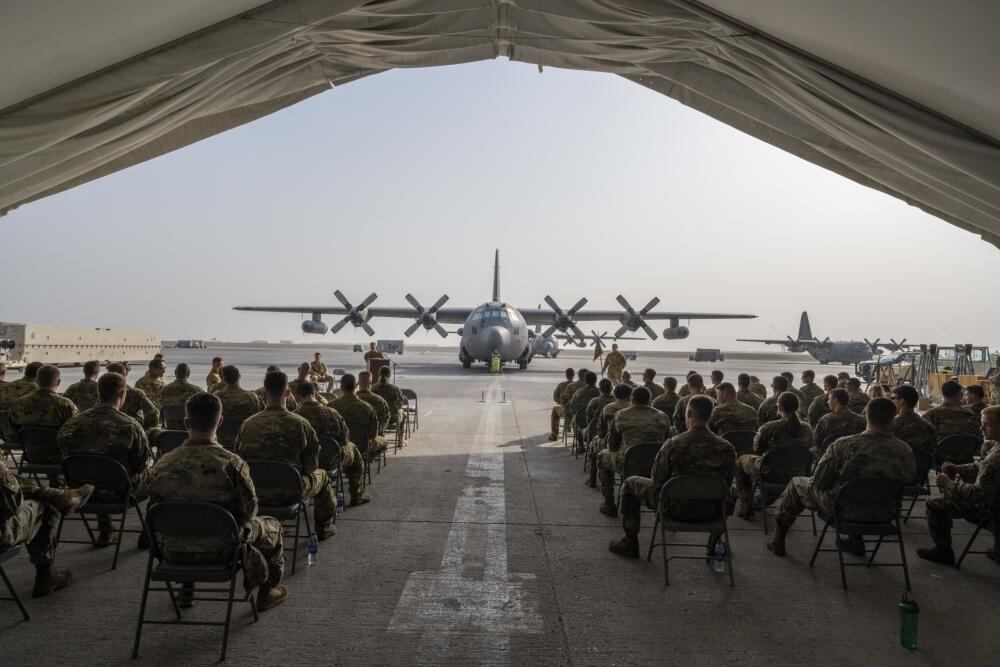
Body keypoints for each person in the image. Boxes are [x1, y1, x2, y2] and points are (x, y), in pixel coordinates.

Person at [148, 392, 287, 610]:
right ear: (220, 422)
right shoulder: (232, 464)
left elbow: (153, 510)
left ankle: (186, 589)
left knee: (186, 518)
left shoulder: (162, 464)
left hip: (171, 549)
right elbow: (249, 513)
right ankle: (267, 591)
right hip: (222, 549)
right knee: (273, 526)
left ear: (186, 422)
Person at [766, 398, 915, 557]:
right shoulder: (904, 449)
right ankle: (855, 542)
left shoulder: (844, 445)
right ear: (892, 419)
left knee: (796, 483)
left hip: (845, 509)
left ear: (866, 416)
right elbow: (909, 480)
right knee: (859, 487)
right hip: (886, 511)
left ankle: (778, 539)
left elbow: (819, 481)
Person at [608, 396, 735, 558]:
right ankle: (714, 544)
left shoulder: (673, 444)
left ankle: (630, 542)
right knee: (731, 491)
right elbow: (728, 481)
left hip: (674, 508)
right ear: (710, 417)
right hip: (712, 512)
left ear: (689, 413)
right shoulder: (727, 448)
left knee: (629, 484)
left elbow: (658, 480)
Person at [234, 371, 338, 540]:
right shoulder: (301, 424)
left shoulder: (248, 425)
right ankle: (324, 527)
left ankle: (273, 525)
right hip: (292, 490)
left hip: (255, 492)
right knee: (323, 476)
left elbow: (239, 462)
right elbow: (311, 466)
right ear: (288, 393)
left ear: (263, 394)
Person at [57, 371, 154, 546]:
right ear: (122, 394)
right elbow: (141, 465)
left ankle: (105, 528)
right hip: (120, 492)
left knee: (96, 471)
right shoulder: (130, 426)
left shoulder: (71, 424)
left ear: (98, 393)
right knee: (158, 475)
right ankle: (148, 534)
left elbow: (64, 458)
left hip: (82, 490)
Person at [916, 406, 1000, 565]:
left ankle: (943, 552)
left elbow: (976, 495)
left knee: (934, 504)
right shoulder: (996, 446)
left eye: (986, 424)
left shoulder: (995, 458)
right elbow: (981, 466)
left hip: (990, 509)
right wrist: (957, 468)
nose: (981, 428)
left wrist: (949, 484)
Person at [0, 462, 94, 597]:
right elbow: (11, 505)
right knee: (45, 506)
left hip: (35, 455)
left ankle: (50, 493)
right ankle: (46, 576)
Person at [734, 392, 815, 516]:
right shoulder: (807, 429)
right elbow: (810, 449)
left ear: (779, 407)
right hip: (798, 474)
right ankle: (758, 500)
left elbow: (757, 451)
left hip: (771, 473)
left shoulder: (769, 427)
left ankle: (746, 503)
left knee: (741, 460)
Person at [597, 387, 671, 517]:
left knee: (602, 456)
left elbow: (612, 446)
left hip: (628, 463)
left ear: (632, 400)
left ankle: (609, 504)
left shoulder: (621, 415)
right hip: (656, 465)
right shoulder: (662, 416)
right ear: (650, 401)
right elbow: (666, 444)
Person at [294, 381, 369, 506]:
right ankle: (357, 494)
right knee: (353, 450)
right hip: (331, 460)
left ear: (297, 396)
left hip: (305, 465)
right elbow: (345, 438)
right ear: (316, 394)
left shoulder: (295, 416)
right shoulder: (332, 413)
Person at [9, 366, 79, 446]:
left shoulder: (19, 403)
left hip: (30, 452)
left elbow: (13, 428)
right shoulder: (65, 404)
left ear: (36, 381)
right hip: (58, 454)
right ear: (58, 382)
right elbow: (76, 429)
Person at [587, 384, 633, 488]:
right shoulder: (634, 408)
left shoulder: (608, 408)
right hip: (639, 451)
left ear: (615, 394)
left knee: (594, 444)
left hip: (617, 449)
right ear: (630, 395)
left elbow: (601, 431)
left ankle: (593, 480)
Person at [330, 374, 382, 463]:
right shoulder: (367, 407)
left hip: (339, 448)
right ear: (356, 386)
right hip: (362, 446)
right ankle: (363, 460)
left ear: (341, 387)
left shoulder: (331, 406)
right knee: (383, 442)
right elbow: (373, 433)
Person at [215, 365, 264, 449]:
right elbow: (262, 417)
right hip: (245, 443)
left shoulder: (216, 398)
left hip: (221, 444)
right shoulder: (252, 398)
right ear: (239, 376)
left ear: (223, 378)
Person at [106, 362, 159, 429]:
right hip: (129, 430)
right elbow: (153, 413)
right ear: (126, 374)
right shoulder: (136, 394)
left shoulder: (99, 392)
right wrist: (145, 429)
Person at [814, 388, 866, 456]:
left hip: (831, 456)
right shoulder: (861, 419)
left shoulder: (826, 419)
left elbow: (816, 441)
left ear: (835, 400)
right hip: (855, 456)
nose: (827, 402)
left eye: (829, 399)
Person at [891, 385, 938, 455]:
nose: (892, 401)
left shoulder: (890, 426)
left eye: (893, 398)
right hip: (924, 465)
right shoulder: (929, 427)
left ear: (902, 401)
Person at [159, 363, 202, 429]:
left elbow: (161, 408)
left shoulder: (164, 390)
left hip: (170, 427)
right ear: (188, 374)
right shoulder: (196, 390)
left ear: (175, 373)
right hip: (190, 428)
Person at [566, 371, 600, 452]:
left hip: (582, 421)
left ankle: (581, 445)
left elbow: (572, 407)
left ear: (585, 380)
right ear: (595, 380)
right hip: (598, 422)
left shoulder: (579, 392)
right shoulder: (600, 392)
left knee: (575, 419)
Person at [371, 365, 405, 438]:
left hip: (376, 418)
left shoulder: (372, 388)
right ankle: (400, 440)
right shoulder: (395, 389)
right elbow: (400, 405)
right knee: (404, 414)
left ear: (379, 374)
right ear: (389, 375)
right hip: (392, 419)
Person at [549, 368, 575, 441]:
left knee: (555, 409)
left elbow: (555, 397)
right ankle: (568, 427)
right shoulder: (579, 387)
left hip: (565, 410)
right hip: (577, 412)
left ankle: (554, 434)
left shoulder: (561, 385)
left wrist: (560, 402)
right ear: (574, 375)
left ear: (566, 375)